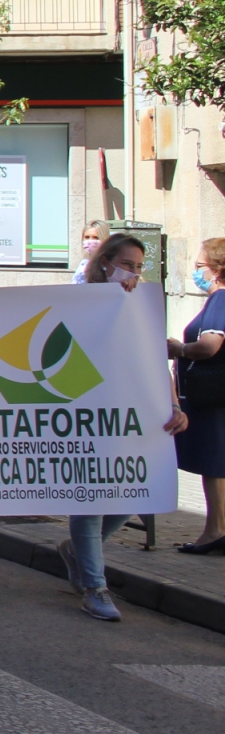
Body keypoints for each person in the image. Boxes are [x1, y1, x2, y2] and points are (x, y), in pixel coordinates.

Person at [62, 233, 185, 620]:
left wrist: (174, 404)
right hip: (86, 416)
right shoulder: (77, 301)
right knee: (90, 499)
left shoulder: (141, 306)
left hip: (129, 418)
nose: (132, 273)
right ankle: (95, 588)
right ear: (104, 263)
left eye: (137, 266)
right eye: (127, 264)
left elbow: (154, 360)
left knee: (132, 491)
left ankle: (78, 551)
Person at [169, 237, 225, 557]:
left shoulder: (220, 300)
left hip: (211, 396)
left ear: (217, 270)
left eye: (200, 265)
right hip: (216, 395)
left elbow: (209, 346)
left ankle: (215, 529)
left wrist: (179, 349)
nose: (196, 272)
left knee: (213, 464)